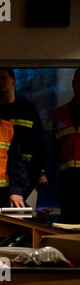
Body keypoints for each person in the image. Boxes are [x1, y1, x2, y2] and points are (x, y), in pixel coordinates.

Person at [0, 67, 48, 201]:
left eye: (3, 78)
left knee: (24, 217)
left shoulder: (28, 109)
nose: (0, 82)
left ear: (14, 82)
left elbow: (40, 143)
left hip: (29, 174)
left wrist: (41, 171)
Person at [52, 68, 80, 223]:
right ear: (73, 83)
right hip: (67, 182)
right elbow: (54, 148)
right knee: (67, 226)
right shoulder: (59, 114)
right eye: (79, 80)